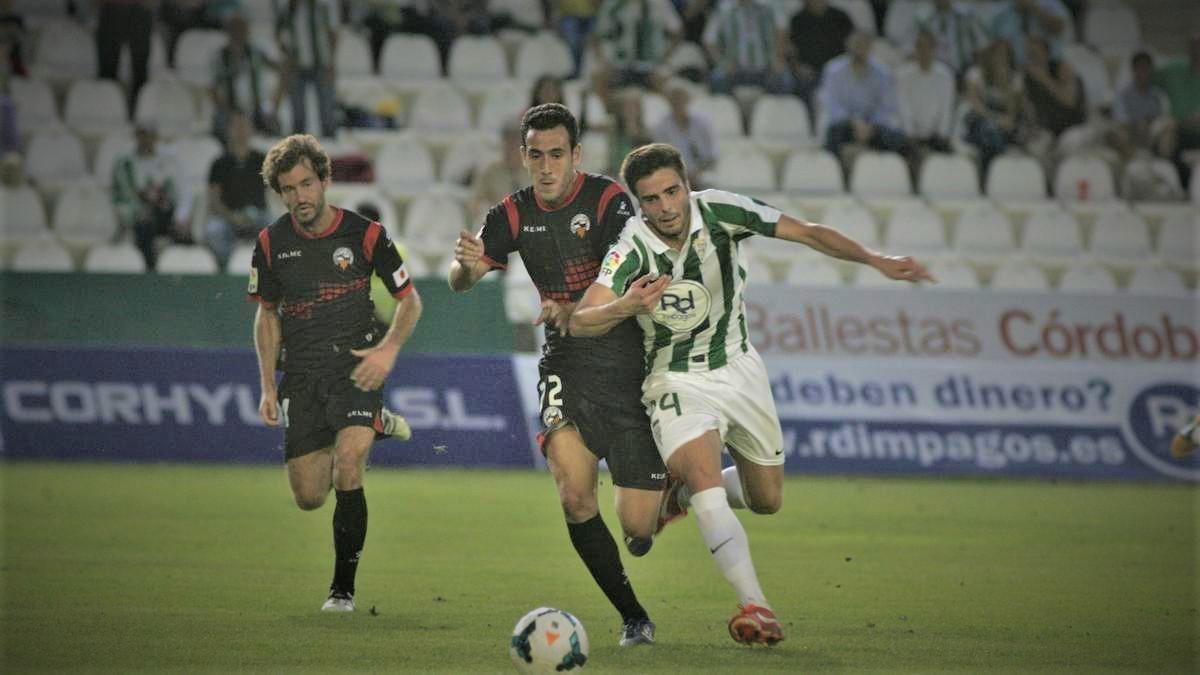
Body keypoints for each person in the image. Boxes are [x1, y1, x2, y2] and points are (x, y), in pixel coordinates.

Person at [569, 142, 933, 644]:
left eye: (672, 192)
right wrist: (624, 305)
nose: (666, 207)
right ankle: (756, 605)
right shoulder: (632, 247)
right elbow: (582, 320)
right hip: (676, 378)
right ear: (638, 203)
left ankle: (677, 495)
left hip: (740, 368)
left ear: (687, 185)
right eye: (651, 199)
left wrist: (875, 260)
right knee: (704, 476)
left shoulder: (722, 210)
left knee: (767, 499)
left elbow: (806, 233)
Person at [448, 103, 666, 647]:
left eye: (557, 155)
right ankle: (634, 617)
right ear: (523, 157)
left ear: (576, 155)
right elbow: (461, 281)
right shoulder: (512, 213)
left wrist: (586, 312)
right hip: (565, 364)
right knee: (574, 495)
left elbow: (624, 278)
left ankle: (670, 498)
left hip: (627, 366)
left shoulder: (607, 199)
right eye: (536, 155)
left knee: (639, 525)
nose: (546, 166)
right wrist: (467, 266)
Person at [248, 133, 421, 612]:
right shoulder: (269, 243)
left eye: (306, 184)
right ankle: (379, 423)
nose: (299, 196)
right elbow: (267, 314)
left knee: (349, 467)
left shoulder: (366, 235)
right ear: (278, 193)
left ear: (324, 181)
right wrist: (266, 383)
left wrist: (386, 352)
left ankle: (341, 591)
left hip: (356, 368)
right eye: (288, 189)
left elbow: (411, 302)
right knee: (309, 496)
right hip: (301, 376)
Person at [819, 31, 908, 165]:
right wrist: (854, 122)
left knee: (897, 138)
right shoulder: (833, 70)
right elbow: (832, 104)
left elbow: (886, 107)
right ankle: (839, 173)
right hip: (845, 124)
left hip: (872, 126)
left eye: (864, 45)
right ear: (848, 46)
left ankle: (886, 172)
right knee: (832, 134)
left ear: (870, 48)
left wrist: (870, 126)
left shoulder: (882, 73)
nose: (859, 50)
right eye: (856, 45)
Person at [111, 121, 185, 271]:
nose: (146, 140)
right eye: (142, 135)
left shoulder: (168, 161)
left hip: (164, 214)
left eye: (150, 135)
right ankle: (148, 269)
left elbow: (177, 193)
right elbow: (120, 196)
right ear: (136, 136)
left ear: (156, 137)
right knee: (144, 225)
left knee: (182, 232)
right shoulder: (124, 164)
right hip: (138, 216)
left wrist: (178, 216)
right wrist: (136, 211)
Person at [204, 110, 269, 268]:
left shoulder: (263, 160)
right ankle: (228, 268)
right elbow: (214, 201)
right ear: (228, 131)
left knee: (276, 226)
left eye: (244, 126)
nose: (240, 130)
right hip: (229, 216)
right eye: (236, 126)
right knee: (214, 230)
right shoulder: (219, 164)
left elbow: (275, 195)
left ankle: (269, 272)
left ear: (251, 129)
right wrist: (232, 217)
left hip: (257, 214)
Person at [210, 12, 281, 141]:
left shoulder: (256, 53)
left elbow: (281, 72)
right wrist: (225, 109)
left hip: (256, 109)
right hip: (230, 110)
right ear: (228, 31)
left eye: (241, 28)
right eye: (234, 28)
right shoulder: (220, 57)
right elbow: (213, 88)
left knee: (275, 127)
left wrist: (275, 104)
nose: (238, 32)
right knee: (220, 124)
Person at [276, 0, 339, 138]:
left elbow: (332, 35)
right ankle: (298, 146)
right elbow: (279, 36)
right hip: (297, 68)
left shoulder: (321, 9)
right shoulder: (287, 11)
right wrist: (288, 56)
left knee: (327, 111)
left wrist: (331, 63)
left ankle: (330, 140)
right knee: (297, 112)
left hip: (321, 64)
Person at [702, 0, 792, 95]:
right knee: (717, 79)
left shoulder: (768, 7)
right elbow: (709, 40)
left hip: (765, 67)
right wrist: (722, 62)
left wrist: (777, 59)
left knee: (786, 80)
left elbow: (783, 31)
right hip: (735, 69)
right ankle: (729, 109)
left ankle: (769, 109)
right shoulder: (723, 9)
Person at [786, 0, 855, 119]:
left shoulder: (841, 17)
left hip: (839, 73)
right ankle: (810, 125)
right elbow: (791, 50)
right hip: (811, 73)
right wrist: (798, 67)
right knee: (800, 85)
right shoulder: (798, 20)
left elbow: (853, 45)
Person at [896, 30, 956, 156]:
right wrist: (910, 133)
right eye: (920, 46)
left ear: (934, 49)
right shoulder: (903, 76)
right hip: (910, 136)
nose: (924, 51)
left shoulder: (945, 76)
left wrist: (942, 134)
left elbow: (946, 109)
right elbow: (903, 107)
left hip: (936, 136)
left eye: (928, 47)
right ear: (916, 48)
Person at [651, 84, 716, 188]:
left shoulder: (703, 122)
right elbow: (661, 157)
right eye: (674, 98)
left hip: (703, 171)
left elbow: (712, 153)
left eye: (681, 98)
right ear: (668, 101)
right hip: (675, 173)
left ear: (688, 99)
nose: (677, 102)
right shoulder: (661, 125)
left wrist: (698, 172)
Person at [988, 0, 1070, 66]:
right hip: (1012, 64)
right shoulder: (1004, 9)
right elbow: (993, 40)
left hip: (1050, 63)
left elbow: (1059, 27)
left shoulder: (1051, 3)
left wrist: (1034, 9)